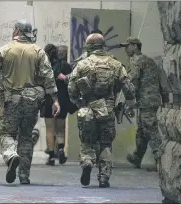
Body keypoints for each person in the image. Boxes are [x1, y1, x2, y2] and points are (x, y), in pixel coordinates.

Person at [0, 19, 60, 185]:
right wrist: (55, 100)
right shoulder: (38, 51)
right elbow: (49, 77)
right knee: (26, 136)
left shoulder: (5, 50)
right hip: (32, 101)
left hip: (11, 100)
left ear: (17, 31)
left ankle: (11, 155)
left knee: (6, 133)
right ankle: (24, 175)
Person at [68, 33, 135, 188]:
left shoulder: (82, 64)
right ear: (103, 45)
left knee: (87, 141)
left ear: (89, 46)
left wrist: (78, 102)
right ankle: (104, 177)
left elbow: (71, 88)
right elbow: (128, 87)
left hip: (88, 108)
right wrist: (130, 103)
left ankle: (87, 162)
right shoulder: (115, 64)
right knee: (105, 144)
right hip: (108, 109)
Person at [120, 37, 170, 171]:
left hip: (146, 100)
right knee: (142, 130)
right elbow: (161, 79)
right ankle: (137, 157)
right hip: (151, 99)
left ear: (135, 46)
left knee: (150, 129)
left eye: (127, 46)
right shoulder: (149, 60)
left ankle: (161, 162)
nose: (126, 49)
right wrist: (164, 98)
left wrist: (128, 101)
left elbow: (133, 81)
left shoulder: (136, 60)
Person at [41, 44, 72, 166]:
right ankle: (60, 149)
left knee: (49, 129)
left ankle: (51, 156)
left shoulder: (45, 67)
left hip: (49, 99)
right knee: (60, 128)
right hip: (63, 99)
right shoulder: (65, 66)